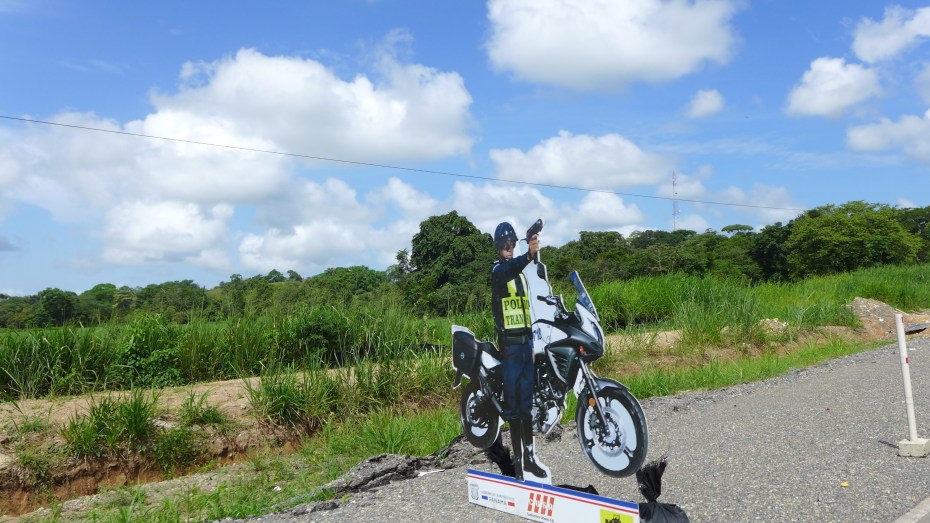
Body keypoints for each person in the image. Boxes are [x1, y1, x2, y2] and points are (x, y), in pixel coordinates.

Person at [491, 221, 549, 482]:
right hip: (510, 347)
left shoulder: (521, 275)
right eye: (505, 245)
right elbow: (512, 266)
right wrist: (529, 255)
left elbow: (527, 311)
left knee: (526, 407)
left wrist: (533, 345)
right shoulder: (499, 271)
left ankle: (529, 460)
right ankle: (517, 465)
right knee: (514, 408)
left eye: (512, 244)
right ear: (498, 248)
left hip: (525, 346)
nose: (509, 248)